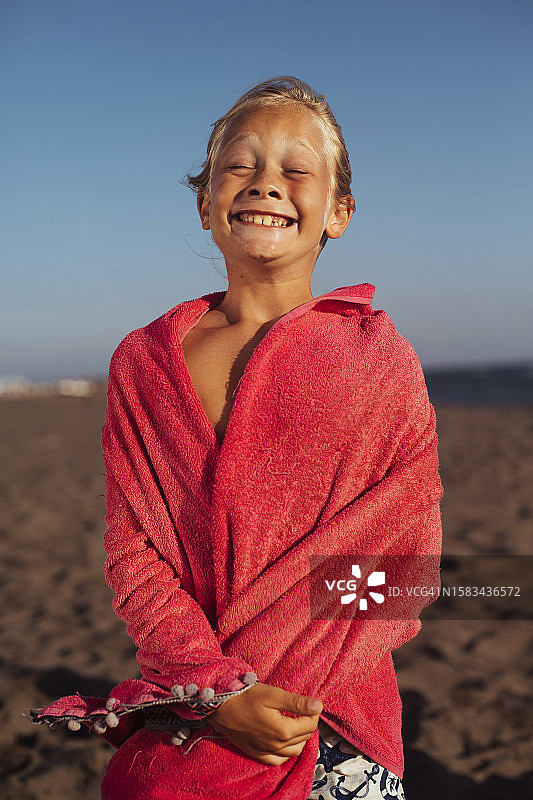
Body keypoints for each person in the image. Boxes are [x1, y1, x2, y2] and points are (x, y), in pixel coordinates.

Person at [30, 76, 443, 800]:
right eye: (241, 164)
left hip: (327, 719)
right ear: (204, 203)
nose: (265, 184)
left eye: (295, 169)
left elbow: (407, 566)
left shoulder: (378, 359)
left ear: (337, 212)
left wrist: (265, 692)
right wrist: (211, 689)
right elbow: (135, 552)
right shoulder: (143, 361)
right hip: (192, 705)